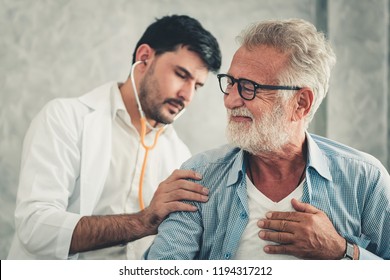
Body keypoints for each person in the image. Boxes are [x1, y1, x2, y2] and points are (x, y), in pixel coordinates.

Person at [144, 18, 390, 260]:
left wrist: (342, 251)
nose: (230, 101)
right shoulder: (198, 177)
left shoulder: (364, 179)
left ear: (301, 103)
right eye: (230, 83)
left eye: (249, 87)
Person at [7, 14, 221, 260]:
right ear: (144, 58)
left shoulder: (180, 156)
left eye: (197, 85)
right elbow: (35, 228)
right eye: (181, 75)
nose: (187, 95)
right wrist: (142, 221)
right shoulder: (65, 118)